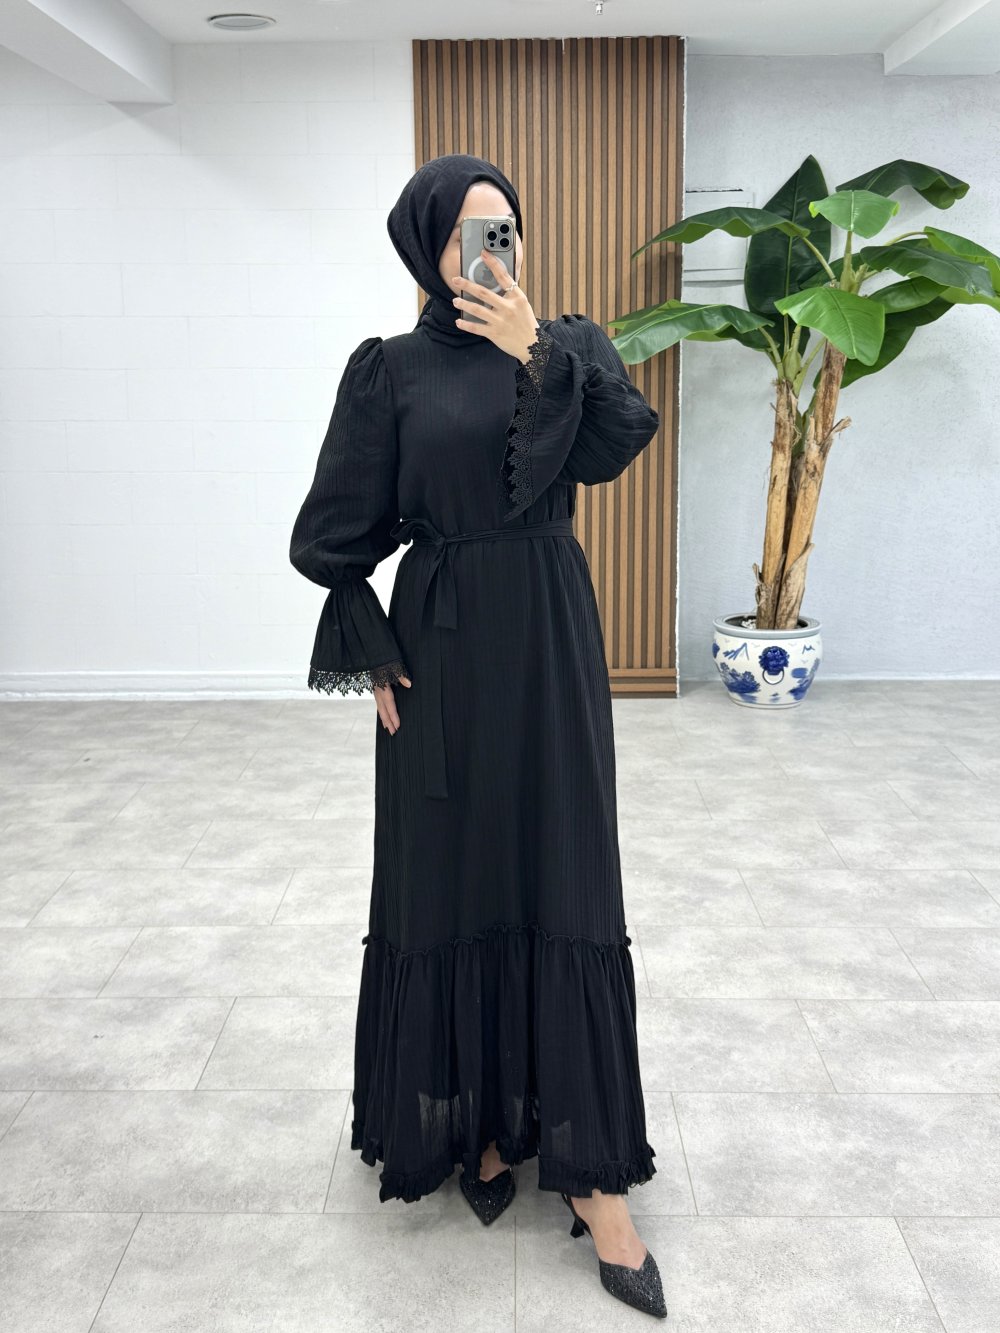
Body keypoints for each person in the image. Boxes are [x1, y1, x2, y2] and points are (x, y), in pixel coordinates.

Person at [289, 153, 666, 1319]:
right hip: (442, 655)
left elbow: (620, 441)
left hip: (550, 642)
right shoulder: (388, 371)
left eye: (504, 228)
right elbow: (329, 534)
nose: (488, 251)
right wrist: (371, 644)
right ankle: (484, 1126)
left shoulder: (572, 346)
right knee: (451, 881)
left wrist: (533, 349)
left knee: (562, 872)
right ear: (425, 248)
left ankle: (593, 1175)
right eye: (466, 233)